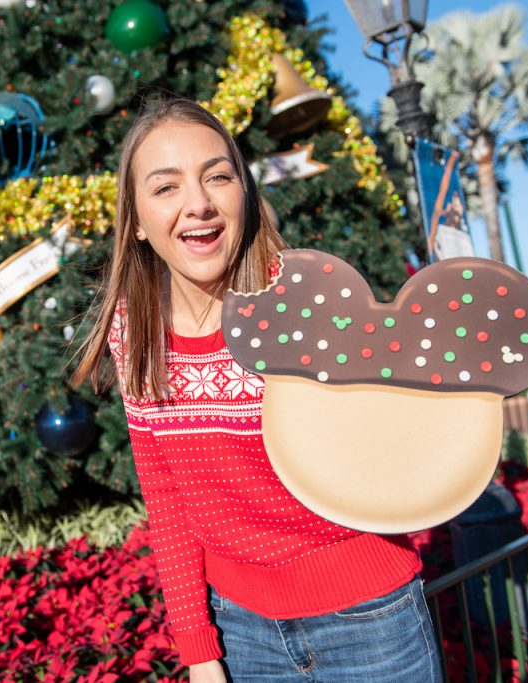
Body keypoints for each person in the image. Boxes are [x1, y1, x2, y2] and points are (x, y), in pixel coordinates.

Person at [72, 96, 442, 682]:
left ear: (243, 192)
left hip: (369, 618)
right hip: (240, 629)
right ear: (136, 221)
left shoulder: (304, 298)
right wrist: (197, 650)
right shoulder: (133, 329)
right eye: (166, 187)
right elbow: (169, 501)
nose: (198, 204)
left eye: (217, 176)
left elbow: (388, 450)